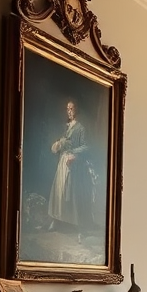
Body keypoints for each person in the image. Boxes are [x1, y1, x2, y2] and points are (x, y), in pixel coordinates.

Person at [47, 99, 95, 232]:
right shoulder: (66, 127)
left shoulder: (80, 128)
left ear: (77, 110)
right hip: (63, 162)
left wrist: (73, 153)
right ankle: (56, 220)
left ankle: (74, 223)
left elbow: (86, 146)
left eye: (71, 109)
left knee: (71, 192)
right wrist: (59, 144)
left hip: (74, 163)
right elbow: (64, 142)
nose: (69, 111)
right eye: (67, 109)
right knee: (59, 191)